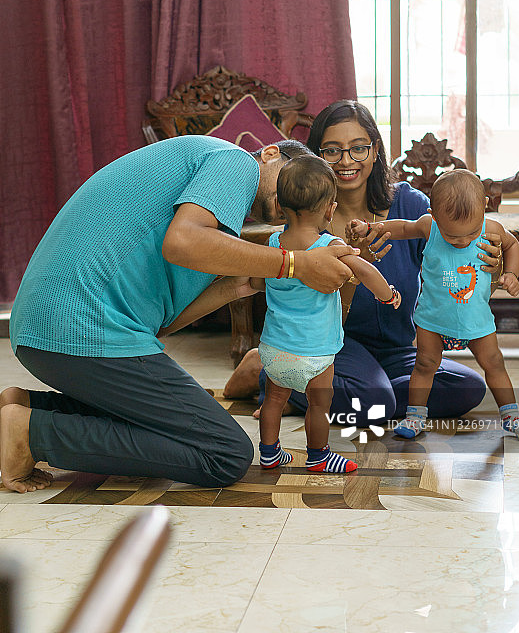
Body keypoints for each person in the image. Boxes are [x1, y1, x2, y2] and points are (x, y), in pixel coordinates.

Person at [1, 135, 359, 494]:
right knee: (225, 453)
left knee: (170, 424)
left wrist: (248, 282)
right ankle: (29, 433)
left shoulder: (214, 209)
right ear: (268, 154)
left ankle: (25, 407)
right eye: (293, 179)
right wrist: (294, 264)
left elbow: (165, 324)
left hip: (46, 328)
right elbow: (182, 241)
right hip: (81, 325)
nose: (295, 196)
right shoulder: (235, 163)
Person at [224, 100, 503, 427]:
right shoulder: (305, 219)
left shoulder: (410, 204)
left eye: (358, 148)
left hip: (397, 349)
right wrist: (355, 271)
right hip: (331, 347)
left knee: (467, 387)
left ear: (374, 151)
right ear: (315, 157)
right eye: (332, 150)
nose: (346, 161)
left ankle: (310, 389)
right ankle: (271, 377)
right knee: (375, 399)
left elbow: (456, 269)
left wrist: (491, 266)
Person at [349, 168, 519, 441]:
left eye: (470, 235)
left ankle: (511, 415)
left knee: (494, 362)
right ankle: (415, 416)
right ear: (434, 214)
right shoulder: (428, 225)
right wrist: (372, 228)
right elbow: (401, 227)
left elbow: (513, 244)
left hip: (476, 319)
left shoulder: (490, 228)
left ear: (484, 207)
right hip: (432, 319)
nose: (462, 242)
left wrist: (511, 274)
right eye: (452, 237)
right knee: (424, 365)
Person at [253, 155, 400, 473]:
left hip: (275, 348)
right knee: (319, 405)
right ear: (331, 209)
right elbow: (368, 273)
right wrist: (388, 295)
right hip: (316, 352)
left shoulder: (272, 242)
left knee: (274, 401)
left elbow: (254, 279)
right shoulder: (331, 245)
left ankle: (268, 452)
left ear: (280, 206)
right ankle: (319, 456)